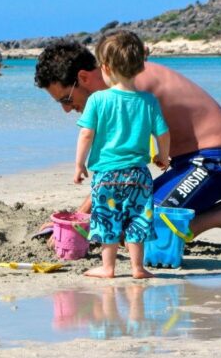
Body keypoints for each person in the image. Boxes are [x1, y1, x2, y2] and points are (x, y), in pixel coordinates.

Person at [34, 31, 221, 251]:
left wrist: (80, 218)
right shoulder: (122, 80)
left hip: (217, 162)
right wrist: (82, 217)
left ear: (83, 77)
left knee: (140, 233)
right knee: (126, 220)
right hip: (189, 165)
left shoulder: (130, 91)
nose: (66, 109)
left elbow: (119, 170)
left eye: (66, 99)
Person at [73, 31, 170, 278]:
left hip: (107, 174)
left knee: (107, 218)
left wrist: (79, 165)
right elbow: (163, 133)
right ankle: (138, 268)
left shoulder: (97, 99)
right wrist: (163, 156)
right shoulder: (148, 101)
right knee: (138, 218)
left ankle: (108, 267)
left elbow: (86, 135)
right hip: (138, 174)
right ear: (139, 66)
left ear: (105, 68)